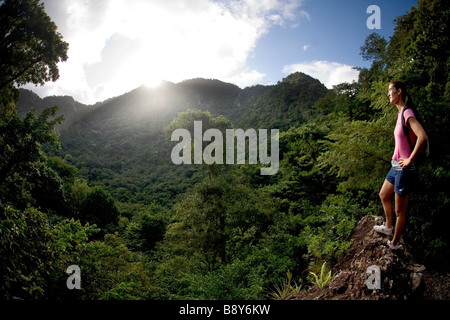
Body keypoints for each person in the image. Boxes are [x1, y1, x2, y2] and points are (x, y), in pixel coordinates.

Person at [374, 80, 428, 249]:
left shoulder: (407, 112)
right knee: (383, 195)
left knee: (400, 211)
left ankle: (394, 243)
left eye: (390, 90)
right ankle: (388, 227)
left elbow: (422, 136)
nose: (388, 94)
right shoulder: (399, 114)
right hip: (395, 166)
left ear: (399, 91)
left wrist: (410, 159)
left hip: (404, 169)